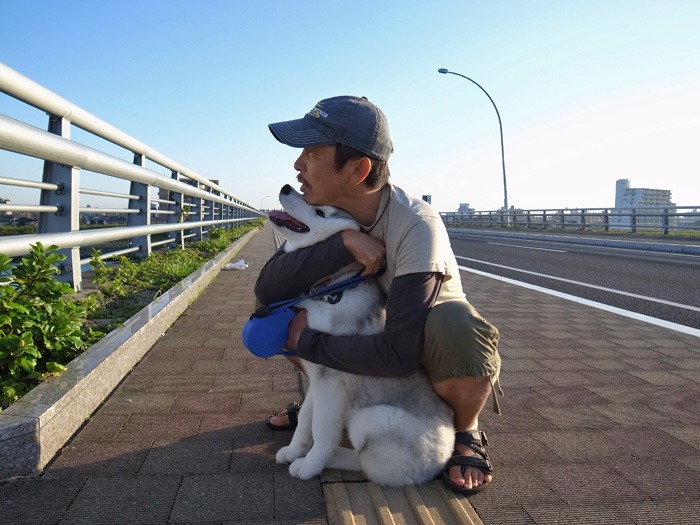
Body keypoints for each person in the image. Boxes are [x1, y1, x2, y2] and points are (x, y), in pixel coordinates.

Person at [255, 95, 502, 495]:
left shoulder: (415, 225)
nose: (298, 164)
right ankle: (336, 406)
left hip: (421, 348)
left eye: (312, 150)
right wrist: (344, 243)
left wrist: (307, 341)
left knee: (454, 323)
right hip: (370, 344)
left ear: (358, 169)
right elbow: (267, 288)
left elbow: (400, 354)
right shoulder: (331, 213)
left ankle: (465, 431)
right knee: (279, 309)